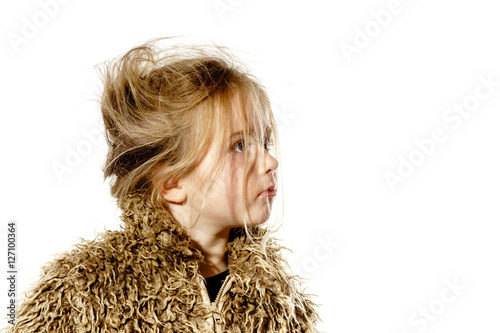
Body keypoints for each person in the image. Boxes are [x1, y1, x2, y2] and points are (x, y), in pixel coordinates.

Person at [3, 37, 320, 332]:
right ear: (171, 183)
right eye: (238, 146)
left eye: (265, 143)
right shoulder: (84, 291)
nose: (269, 162)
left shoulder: (280, 300)